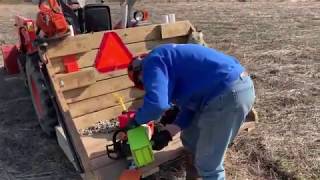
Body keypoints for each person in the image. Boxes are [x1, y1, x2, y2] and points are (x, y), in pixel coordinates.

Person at [127, 43, 255, 180]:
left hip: (226, 95)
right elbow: (191, 108)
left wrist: (134, 122)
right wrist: (168, 133)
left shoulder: (151, 62)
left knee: (208, 164)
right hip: (234, 89)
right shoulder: (169, 59)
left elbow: (157, 105)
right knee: (190, 138)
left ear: (140, 75)